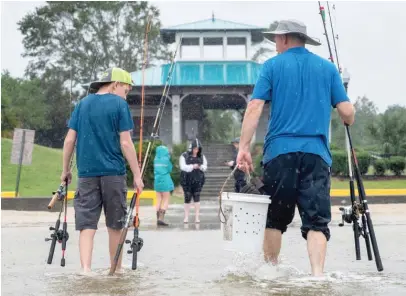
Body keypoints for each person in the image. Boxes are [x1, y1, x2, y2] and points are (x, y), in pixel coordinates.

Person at [236, 20, 355, 276]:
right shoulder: (328, 68)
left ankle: (270, 273)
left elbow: (255, 106)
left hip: (280, 153)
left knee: (275, 219)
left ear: (285, 39)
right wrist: (347, 107)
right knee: (317, 222)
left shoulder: (272, 66)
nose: (275, 45)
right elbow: (347, 113)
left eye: (276, 40)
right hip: (316, 155)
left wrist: (243, 147)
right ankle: (317, 276)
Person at [60, 67, 144, 273]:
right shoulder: (119, 104)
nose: (126, 94)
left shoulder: (82, 104)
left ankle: (85, 270)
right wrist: (137, 174)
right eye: (126, 90)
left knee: (86, 225)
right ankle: (115, 269)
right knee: (115, 224)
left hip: (87, 174)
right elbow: (125, 143)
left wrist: (65, 170)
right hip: (113, 173)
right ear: (115, 84)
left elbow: (70, 139)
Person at [179, 138, 208, 223]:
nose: (196, 151)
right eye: (195, 149)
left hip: (198, 180)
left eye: (198, 149)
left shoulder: (202, 156)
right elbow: (182, 167)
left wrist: (200, 167)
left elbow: (205, 167)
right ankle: (186, 217)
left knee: (197, 197)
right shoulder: (184, 155)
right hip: (186, 180)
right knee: (187, 197)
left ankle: (197, 217)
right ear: (191, 148)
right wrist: (192, 166)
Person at [153, 145, 175, 227]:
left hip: (157, 181)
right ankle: (161, 218)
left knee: (158, 199)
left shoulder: (155, 159)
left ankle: (157, 217)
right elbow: (169, 169)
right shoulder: (166, 160)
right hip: (165, 181)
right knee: (166, 198)